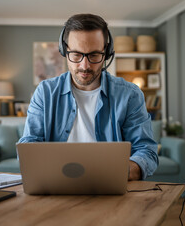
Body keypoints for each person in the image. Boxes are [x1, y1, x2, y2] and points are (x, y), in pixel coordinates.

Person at [19, 13, 158, 180]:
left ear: (106, 53)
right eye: (76, 55)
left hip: (109, 186)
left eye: (94, 55)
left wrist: (121, 170)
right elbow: (28, 145)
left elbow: (147, 151)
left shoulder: (130, 95)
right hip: (55, 186)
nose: (85, 66)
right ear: (65, 51)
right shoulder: (45, 92)